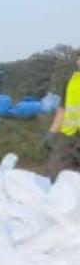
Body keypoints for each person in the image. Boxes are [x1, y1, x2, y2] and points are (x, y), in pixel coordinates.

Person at [50, 49, 80, 177]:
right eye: (79, 58)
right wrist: (52, 131)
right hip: (69, 133)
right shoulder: (71, 80)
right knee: (59, 172)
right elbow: (63, 107)